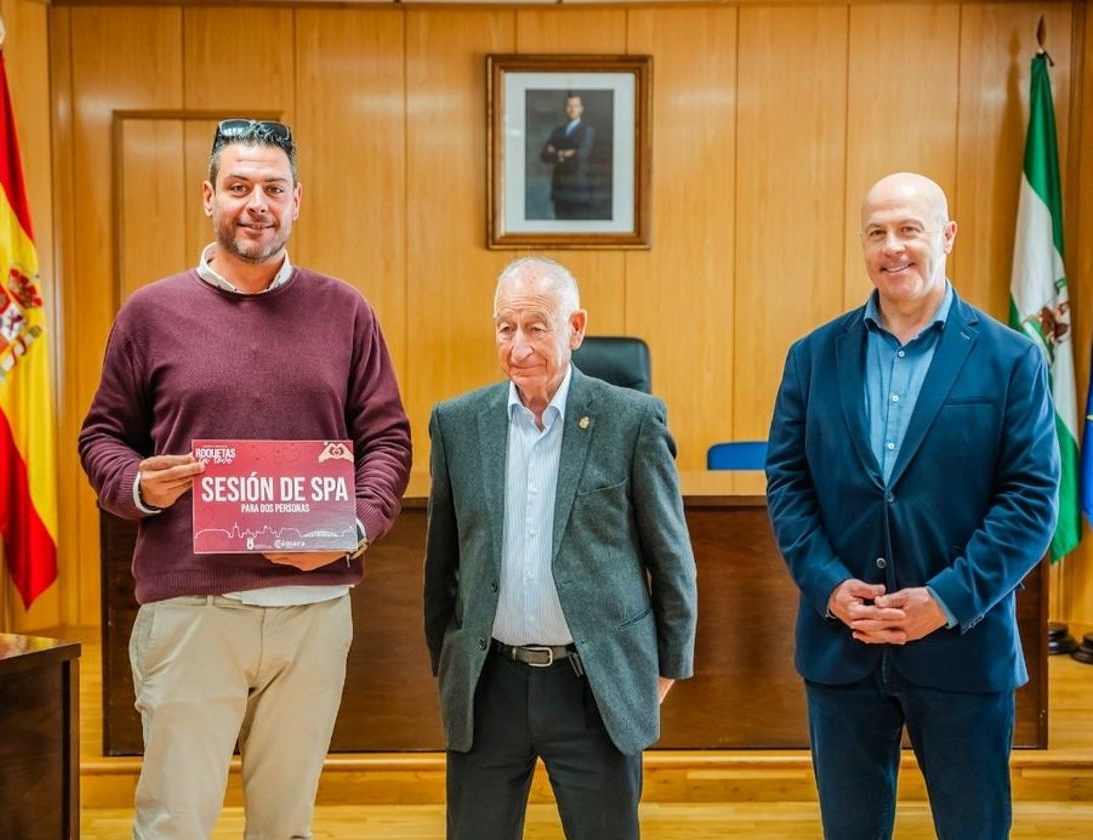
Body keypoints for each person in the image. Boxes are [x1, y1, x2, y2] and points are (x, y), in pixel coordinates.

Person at [78, 118, 412, 840]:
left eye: (272, 188)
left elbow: (386, 439)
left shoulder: (345, 311)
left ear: (297, 201)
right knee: (175, 822)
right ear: (208, 197)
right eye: (238, 187)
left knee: (286, 827)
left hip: (314, 615)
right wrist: (138, 482)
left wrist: (353, 528)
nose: (255, 203)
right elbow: (101, 436)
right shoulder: (150, 313)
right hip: (192, 608)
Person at [765, 172, 1060, 840]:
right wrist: (828, 586)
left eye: (909, 229)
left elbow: (1031, 501)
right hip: (844, 646)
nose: (892, 247)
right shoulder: (812, 357)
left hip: (963, 646)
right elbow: (787, 482)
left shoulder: (1012, 360)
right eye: (876, 232)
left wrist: (945, 599)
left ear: (946, 237)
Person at [423, 256, 697, 839]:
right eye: (505, 327)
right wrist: (452, 663)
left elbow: (671, 561)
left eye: (536, 326)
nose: (518, 346)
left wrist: (663, 672)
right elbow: (440, 567)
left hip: (592, 685)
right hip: (489, 684)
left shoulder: (632, 420)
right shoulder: (456, 423)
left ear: (574, 328)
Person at [539, 93, 596, 220]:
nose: (572, 109)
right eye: (569, 106)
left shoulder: (587, 130)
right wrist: (565, 152)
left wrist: (556, 152)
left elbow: (580, 156)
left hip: (578, 191)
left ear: (581, 108)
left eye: (576, 106)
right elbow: (544, 156)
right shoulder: (557, 131)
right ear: (565, 108)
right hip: (559, 191)